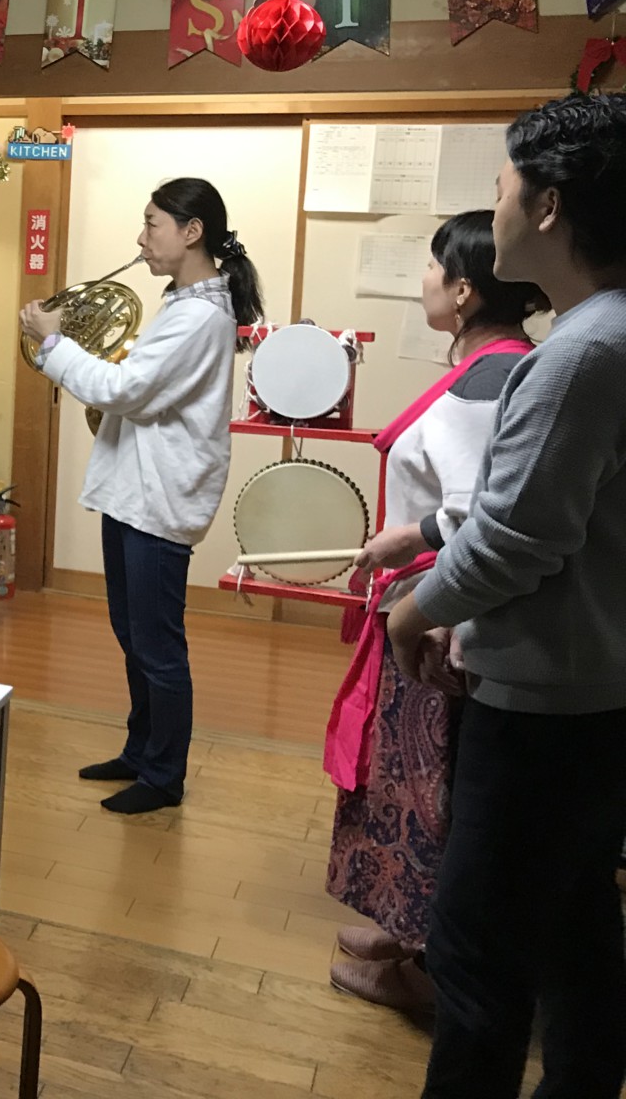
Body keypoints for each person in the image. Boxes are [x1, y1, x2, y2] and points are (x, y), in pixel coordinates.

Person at [385, 95, 626, 1099]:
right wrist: (439, 547)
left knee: (476, 956)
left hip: (544, 714)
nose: (496, 212)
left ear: (551, 205)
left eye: (501, 191)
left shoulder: (583, 353)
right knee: (578, 929)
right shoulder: (601, 333)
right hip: (595, 694)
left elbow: (519, 539)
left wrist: (416, 608)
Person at [322, 212, 544, 1013]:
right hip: (434, 602)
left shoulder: (489, 380)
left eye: (431, 265)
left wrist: (406, 547)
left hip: (438, 610)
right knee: (422, 785)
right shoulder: (500, 364)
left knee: (431, 791)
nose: (422, 278)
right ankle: (408, 932)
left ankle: (427, 964)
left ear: (463, 290)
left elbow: (479, 512)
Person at [20, 178, 261, 815]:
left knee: (157, 645)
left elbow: (126, 390)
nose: (141, 237)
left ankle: (163, 776)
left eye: (153, 224)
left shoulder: (202, 315)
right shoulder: (185, 302)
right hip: (137, 493)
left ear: (192, 231)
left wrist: (54, 342)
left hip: (159, 499)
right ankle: (140, 750)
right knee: (133, 634)